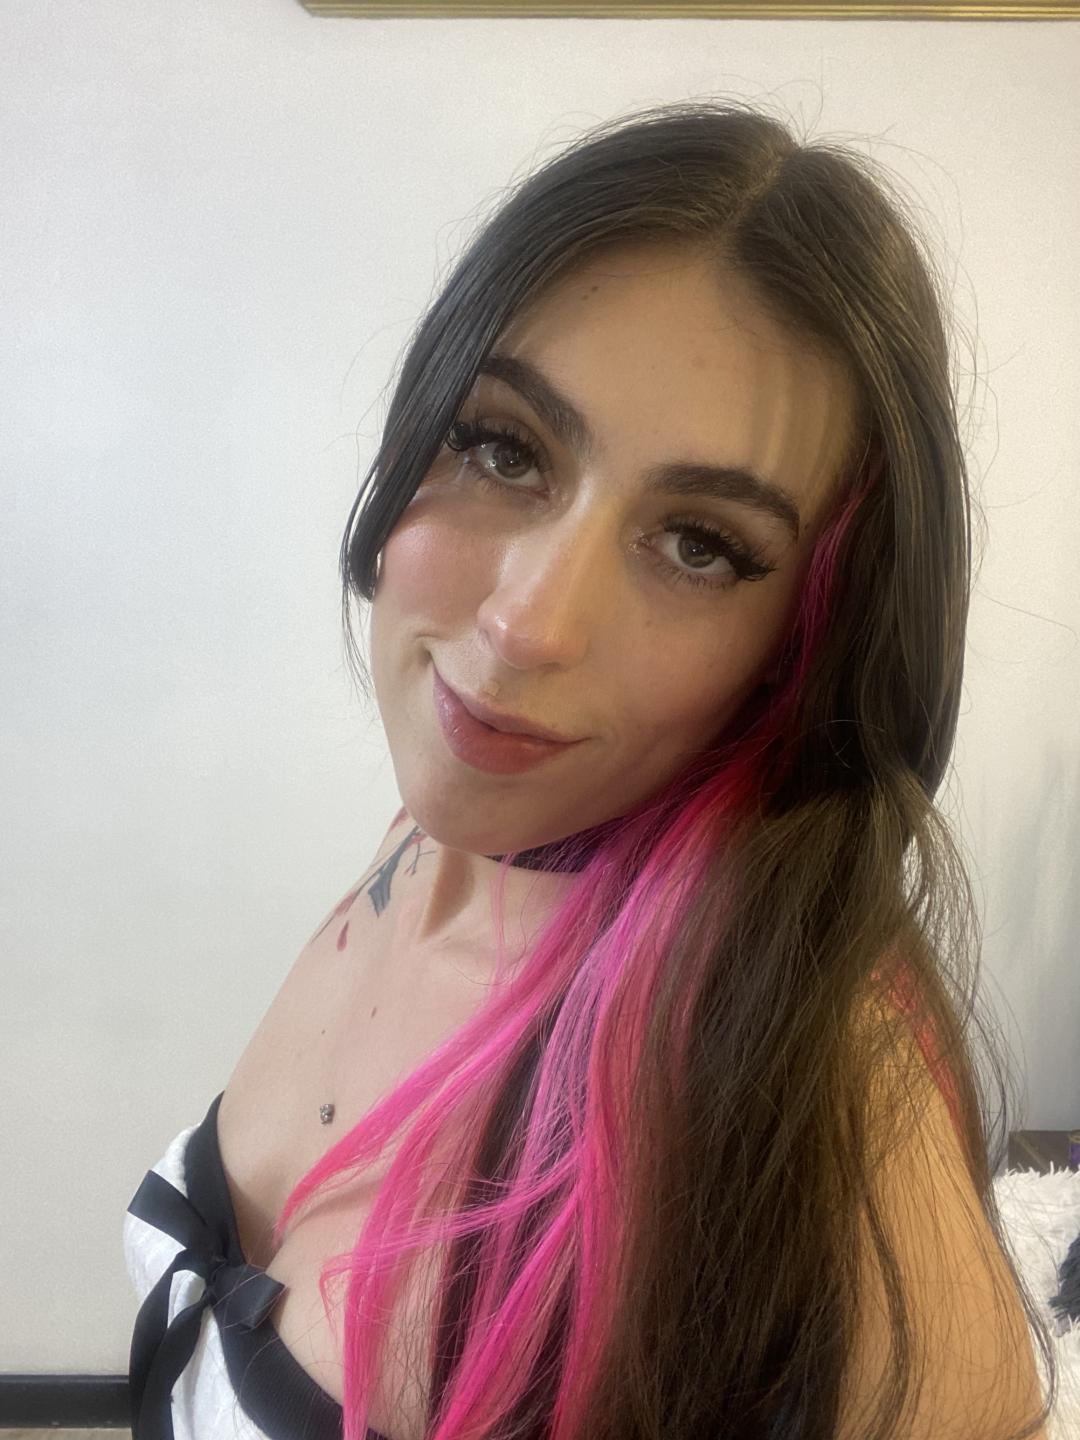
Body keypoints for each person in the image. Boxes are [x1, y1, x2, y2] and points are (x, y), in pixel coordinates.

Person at [124, 99, 1055, 1440]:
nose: (527, 626)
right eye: (504, 448)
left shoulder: (810, 1095)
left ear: (806, 641)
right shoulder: (448, 833)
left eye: (699, 545)